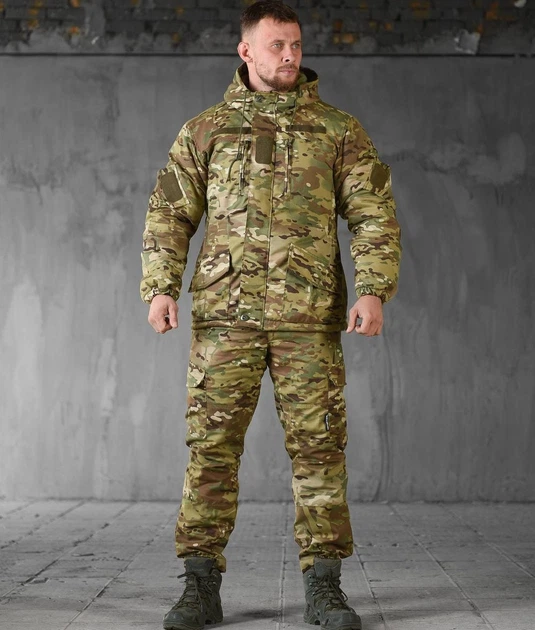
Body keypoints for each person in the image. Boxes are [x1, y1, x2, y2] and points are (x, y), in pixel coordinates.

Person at [140, 2, 401, 629]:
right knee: (211, 450)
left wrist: (373, 290)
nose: (290, 55)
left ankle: (325, 588)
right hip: (225, 319)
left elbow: (373, 213)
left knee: (319, 451)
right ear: (246, 51)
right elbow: (170, 213)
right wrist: (160, 287)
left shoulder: (337, 130)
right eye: (277, 45)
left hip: (308, 319)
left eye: (296, 44)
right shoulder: (206, 130)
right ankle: (199, 587)